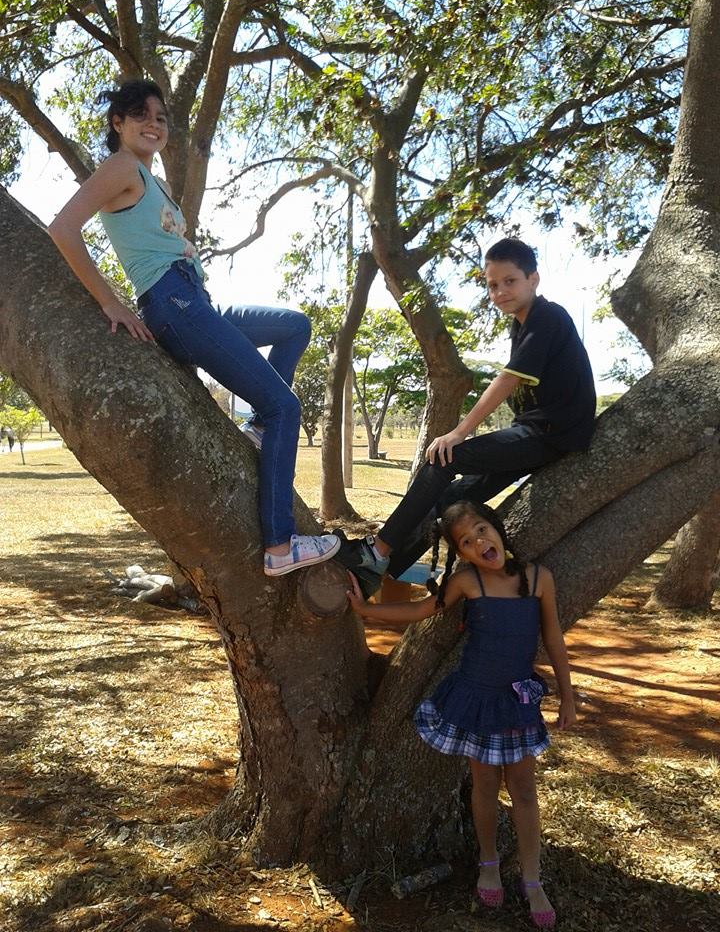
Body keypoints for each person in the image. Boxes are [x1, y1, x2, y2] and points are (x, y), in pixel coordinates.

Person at [48, 79, 339, 576]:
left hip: (194, 300)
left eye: (160, 117)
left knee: (294, 326)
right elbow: (62, 228)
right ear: (117, 123)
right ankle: (278, 546)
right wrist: (111, 302)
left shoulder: (149, 178)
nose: (153, 124)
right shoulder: (120, 166)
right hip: (172, 300)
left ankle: (259, 427)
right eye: (140, 114)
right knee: (286, 404)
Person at [347, 501, 576, 929]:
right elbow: (421, 611)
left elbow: (554, 637)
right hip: (474, 697)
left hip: (517, 701)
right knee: (484, 784)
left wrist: (568, 695)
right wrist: (366, 611)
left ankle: (532, 879)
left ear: (499, 530)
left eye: (482, 530)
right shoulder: (467, 583)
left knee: (524, 789)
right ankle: (488, 862)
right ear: (461, 554)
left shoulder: (538, 578)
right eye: (466, 542)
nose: (479, 543)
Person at [336, 237, 596, 596]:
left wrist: (460, 432)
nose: (501, 291)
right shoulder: (520, 323)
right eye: (492, 285)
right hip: (536, 433)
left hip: (552, 435)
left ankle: (376, 551)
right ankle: (380, 575)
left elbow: (510, 378)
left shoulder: (548, 316)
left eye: (510, 281)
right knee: (446, 502)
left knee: (445, 456)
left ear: (533, 280)